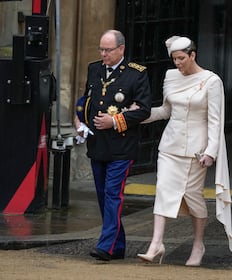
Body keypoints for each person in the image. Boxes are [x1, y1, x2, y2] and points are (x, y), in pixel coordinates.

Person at [136, 36, 232, 266]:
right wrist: (137, 115)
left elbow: (215, 120)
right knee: (163, 191)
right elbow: (165, 110)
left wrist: (211, 151)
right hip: (170, 145)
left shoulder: (211, 80)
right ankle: (156, 243)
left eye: (181, 58)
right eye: (174, 59)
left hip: (196, 149)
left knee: (193, 198)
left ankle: (198, 244)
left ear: (193, 55)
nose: (178, 63)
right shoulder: (171, 76)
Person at [74, 29, 152, 261]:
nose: (103, 54)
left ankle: (106, 245)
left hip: (121, 145)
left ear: (121, 49)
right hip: (98, 144)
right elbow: (86, 100)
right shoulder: (94, 68)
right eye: (101, 49)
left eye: (108, 50)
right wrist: (79, 120)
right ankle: (118, 245)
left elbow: (144, 110)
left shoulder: (136, 74)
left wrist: (114, 121)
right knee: (101, 195)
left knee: (112, 194)